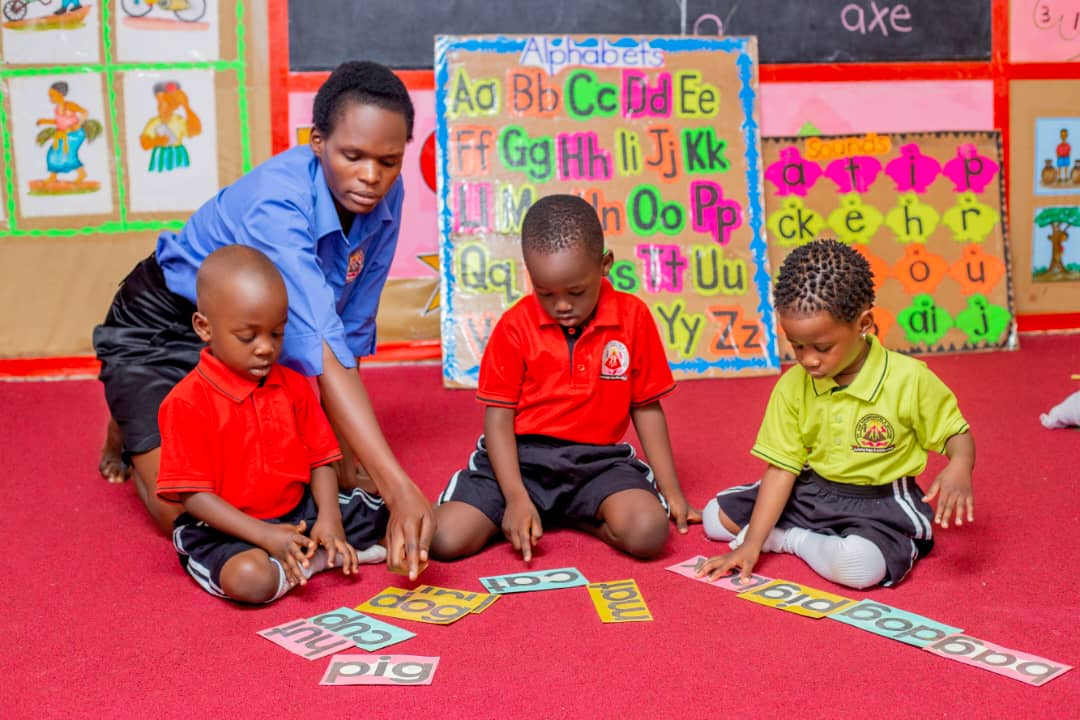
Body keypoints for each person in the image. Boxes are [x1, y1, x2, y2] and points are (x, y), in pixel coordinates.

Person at [92, 60, 433, 579]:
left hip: (256, 339)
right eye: (352, 156)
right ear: (317, 142)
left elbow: (348, 326)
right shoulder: (278, 203)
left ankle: (146, 410)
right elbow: (320, 344)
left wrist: (347, 459)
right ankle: (133, 408)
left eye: (388, 161)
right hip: (162, 325)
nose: (371, 176)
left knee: (296, 482)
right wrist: (398, 487)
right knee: (180, 512)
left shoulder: (389, 194)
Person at [431, 194, 699, 562]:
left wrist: (671, 492)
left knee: (649, 534)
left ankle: (575, 515)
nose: (561, 305)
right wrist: (515, 498)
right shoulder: (514, 327)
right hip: (520, 461)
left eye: (576, 292)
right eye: (545, 293)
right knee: (444, 539)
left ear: (605, 265)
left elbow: (646, 407)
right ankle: (528, 511)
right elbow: (498, 419)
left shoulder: (633, 317)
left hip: (597, 463)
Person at [697, 239, 975, 589]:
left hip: (880, 503)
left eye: (822, 347)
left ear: (864, 323)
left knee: (858, 568)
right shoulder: (792, 385)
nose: (807, 359)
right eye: (797, 345)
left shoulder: (910, 378)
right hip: (812, 490)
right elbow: (782, 468)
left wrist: (960, 464)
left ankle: (789, 539)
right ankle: (784, 534)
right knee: (713, 520)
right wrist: (751, 545)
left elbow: (955, 434)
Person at [158, 246, 387, 603]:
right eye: (248, 337)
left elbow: (321, 461)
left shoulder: (294, 384)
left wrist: (329, 519)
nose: (265, 348)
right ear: (204, 327)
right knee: (249, 578)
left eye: (276, 333)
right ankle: (311, 560)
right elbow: (196, 497)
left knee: (390, 514)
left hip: (300, 512)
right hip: (226, 527)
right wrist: (265, 536)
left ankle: (308, 554)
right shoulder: (186, 402)